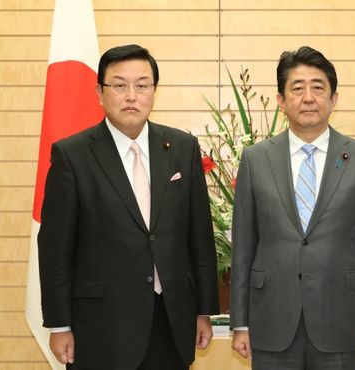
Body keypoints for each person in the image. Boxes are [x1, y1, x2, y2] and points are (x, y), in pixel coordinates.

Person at [38, 44, 219, 370]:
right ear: (100, 93)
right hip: (101, 325)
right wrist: (60, 325)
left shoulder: (181, 148)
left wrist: (204, 310)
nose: (131, 95)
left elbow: (200, 238)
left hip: (171, 319)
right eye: (119, 86)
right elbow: (55, 249)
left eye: (142, 85)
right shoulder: (72, 155)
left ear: (154, 91)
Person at [230, 46, 355, 370]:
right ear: (281, 100)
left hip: (343, 320)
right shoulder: (255, 159)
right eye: (297, 88)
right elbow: (244, 246)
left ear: (334, 98)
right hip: (271, 320)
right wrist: (241, 322)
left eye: (318, 88)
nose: (308, 97)